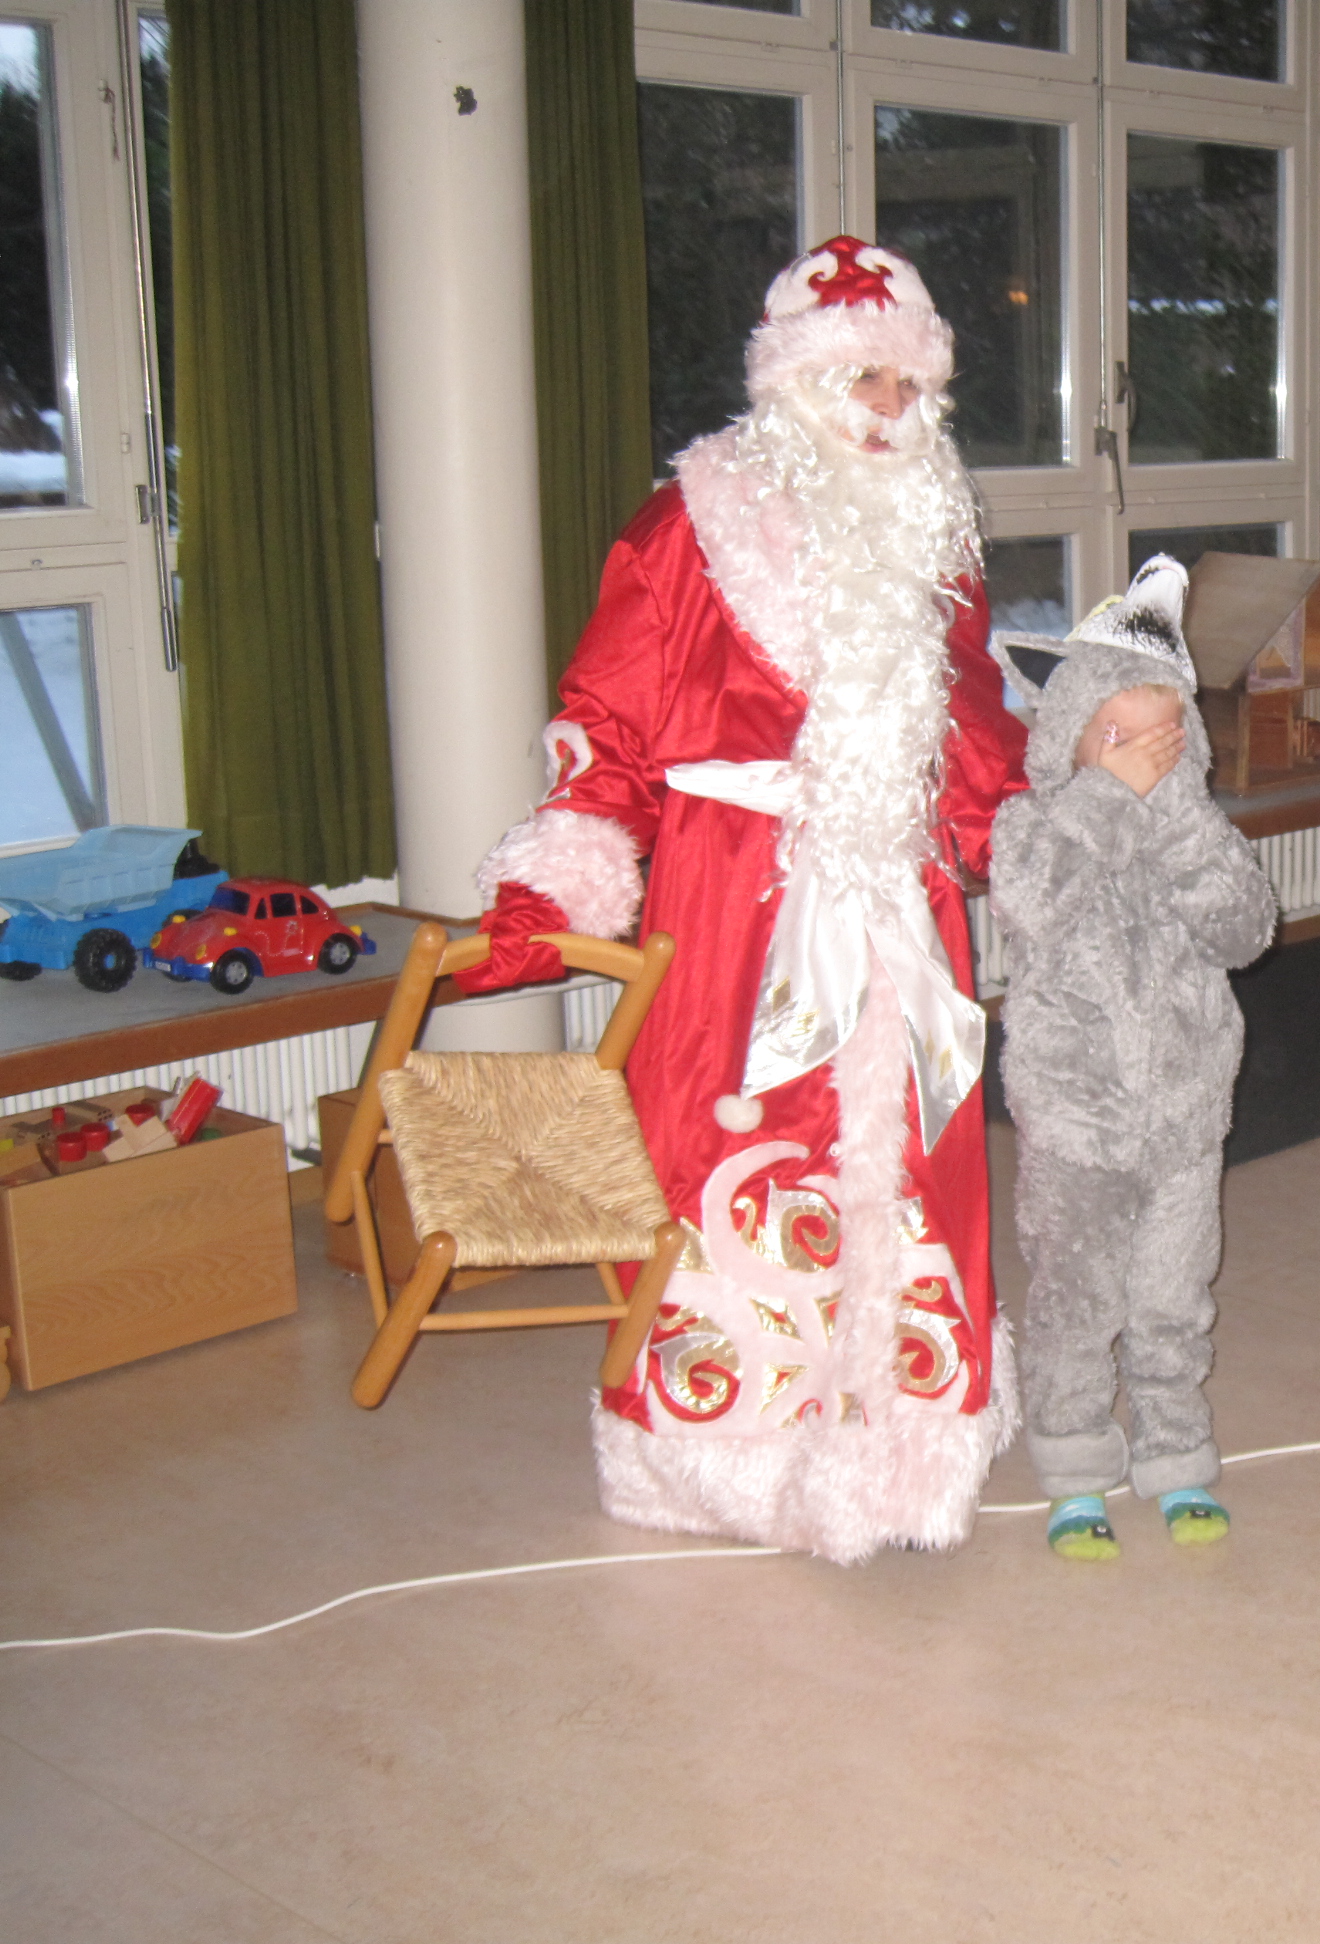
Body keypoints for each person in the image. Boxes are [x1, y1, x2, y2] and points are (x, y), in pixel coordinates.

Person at [460, 239, 1027, 1563]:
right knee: (729, 1144)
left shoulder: (931, 528)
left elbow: (972, 724)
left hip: (897, 891)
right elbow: (608, 714)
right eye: (862, 378)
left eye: (909, 383)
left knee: (909, 1146)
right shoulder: (687, 528)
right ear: (793, 383)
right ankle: (722, 1450)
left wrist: (1046, 842)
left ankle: (908, 1432)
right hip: (738, 895)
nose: (889, 407)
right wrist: (557, 873)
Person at [989, 558, 1277, 1558]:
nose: (1140, 762)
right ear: (1069, 738)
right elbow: (1035, 904)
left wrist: (1181, 820)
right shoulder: (1034, 827)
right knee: (1076, 1301)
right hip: (1078, 1121)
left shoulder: (1195, 832)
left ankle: (1175, 1453)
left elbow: (1246, 932)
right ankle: (1074, 1467)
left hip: (1186, 1117)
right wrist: (1109, 798)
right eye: (1115, 739)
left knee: (1171, 1297)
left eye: (1161, 741)